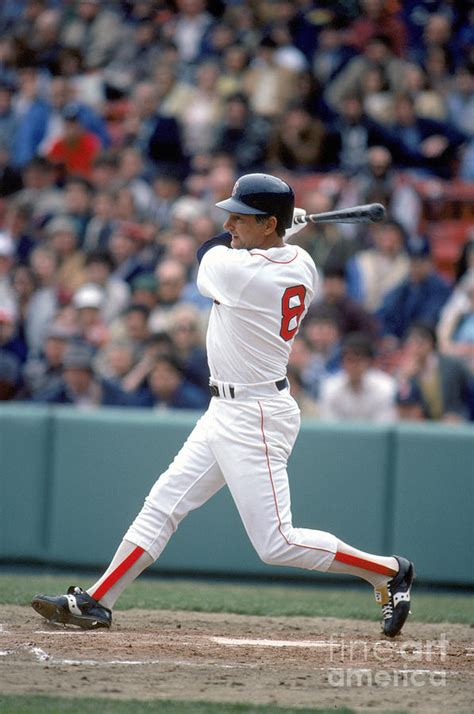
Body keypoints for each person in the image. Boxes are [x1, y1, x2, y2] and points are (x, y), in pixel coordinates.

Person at [31, 173, 414, 639]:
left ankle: (389, 570)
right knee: (163, 504)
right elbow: (259, 247)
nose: (230, 222)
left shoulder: (242, 272)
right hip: (226, 409)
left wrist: (271, 231)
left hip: (255, 415)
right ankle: (98, 600)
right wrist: (275, 233)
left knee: (276, 544)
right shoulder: (301, 262)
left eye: (243, 216)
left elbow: (206, 250)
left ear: (269, 224)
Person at [318, 332, 397, 423]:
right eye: (349, 360)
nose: (353, 366)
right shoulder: (330, 387)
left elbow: (383, 427)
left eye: (359, 360)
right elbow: (329, 427)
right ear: (342, 362)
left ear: (369, 362)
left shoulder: (386, 386)